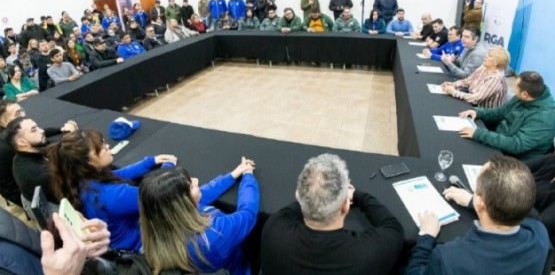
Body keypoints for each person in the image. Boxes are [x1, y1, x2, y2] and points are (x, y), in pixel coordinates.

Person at [261, 154, 403, 275]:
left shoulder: (274, 229)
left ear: (298, 196)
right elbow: (393, 227)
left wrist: (311, 196)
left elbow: (299, 203)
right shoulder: (368, 252)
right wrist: (357, 195)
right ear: (345, 206)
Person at [407, 155, 549, 275]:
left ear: (481, 203)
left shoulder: (447, 258)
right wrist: (471, 202)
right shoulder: (540, 233)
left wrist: (426, 237)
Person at [48, 129, 177, 251]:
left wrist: (150, 162)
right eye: (102, 147)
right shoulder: (112, 195)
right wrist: (168, 167)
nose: (107, 147)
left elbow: (117, 174)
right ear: (88, 162)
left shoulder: (79, 182)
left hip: (121, 242)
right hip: (144, 244)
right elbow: (158, 191)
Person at [139, 157, 259, 275]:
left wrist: (233, 175)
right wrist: (248, 175)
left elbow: (203, 194)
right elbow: (247, 213)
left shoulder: (158, 222)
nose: (196, 180)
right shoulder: (214, 234)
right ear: (183, 203)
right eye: (191, 186)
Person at [459, 71, 555, 160]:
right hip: (498, 141)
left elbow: (516, 145)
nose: (513, 88)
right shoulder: (524, 97)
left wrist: (479, 134)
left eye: (516, 86)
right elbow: (500, 112)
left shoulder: (543, 119)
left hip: (513, 160)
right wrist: (478, 112)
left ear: (525, 94)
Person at [6, 117, 78, 203]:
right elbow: (72, 194)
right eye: (34, 130)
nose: (41, 130)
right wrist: (70, 137)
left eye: (37, 127)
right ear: (21, 142)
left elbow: (52, 148)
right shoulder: (41, 174)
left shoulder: (22, 155)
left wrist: (67, 133)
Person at [441, 47, 509, 108]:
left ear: (496, 62)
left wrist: (454, 92)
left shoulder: (496, 79)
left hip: (483, 114)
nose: (485, 56)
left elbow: (476, 99)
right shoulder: (483, 67)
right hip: (471, 100)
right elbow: (468, 81)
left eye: (489, 56)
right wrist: (453, 85)